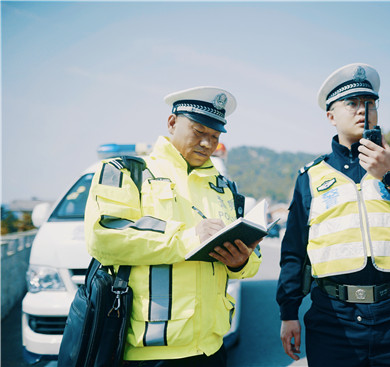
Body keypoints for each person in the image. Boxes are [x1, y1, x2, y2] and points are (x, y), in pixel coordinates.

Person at [276, 63, 390, 367]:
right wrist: (288, 313)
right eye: (353, 103)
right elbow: (294, 251)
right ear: (331, 116)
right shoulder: (310, 177)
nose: (363, 110)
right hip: (333, 321)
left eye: (370, 103)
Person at [84, 86, 262, 366]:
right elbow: (105, 236)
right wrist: (189, 239)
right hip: (149, 354)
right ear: (171, 123)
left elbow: (252, 262)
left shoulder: (224, 188)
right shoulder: (124, 171)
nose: (207, 143)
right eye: (199, 131)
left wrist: (241, 262)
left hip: (212, 350)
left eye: (214, 136)